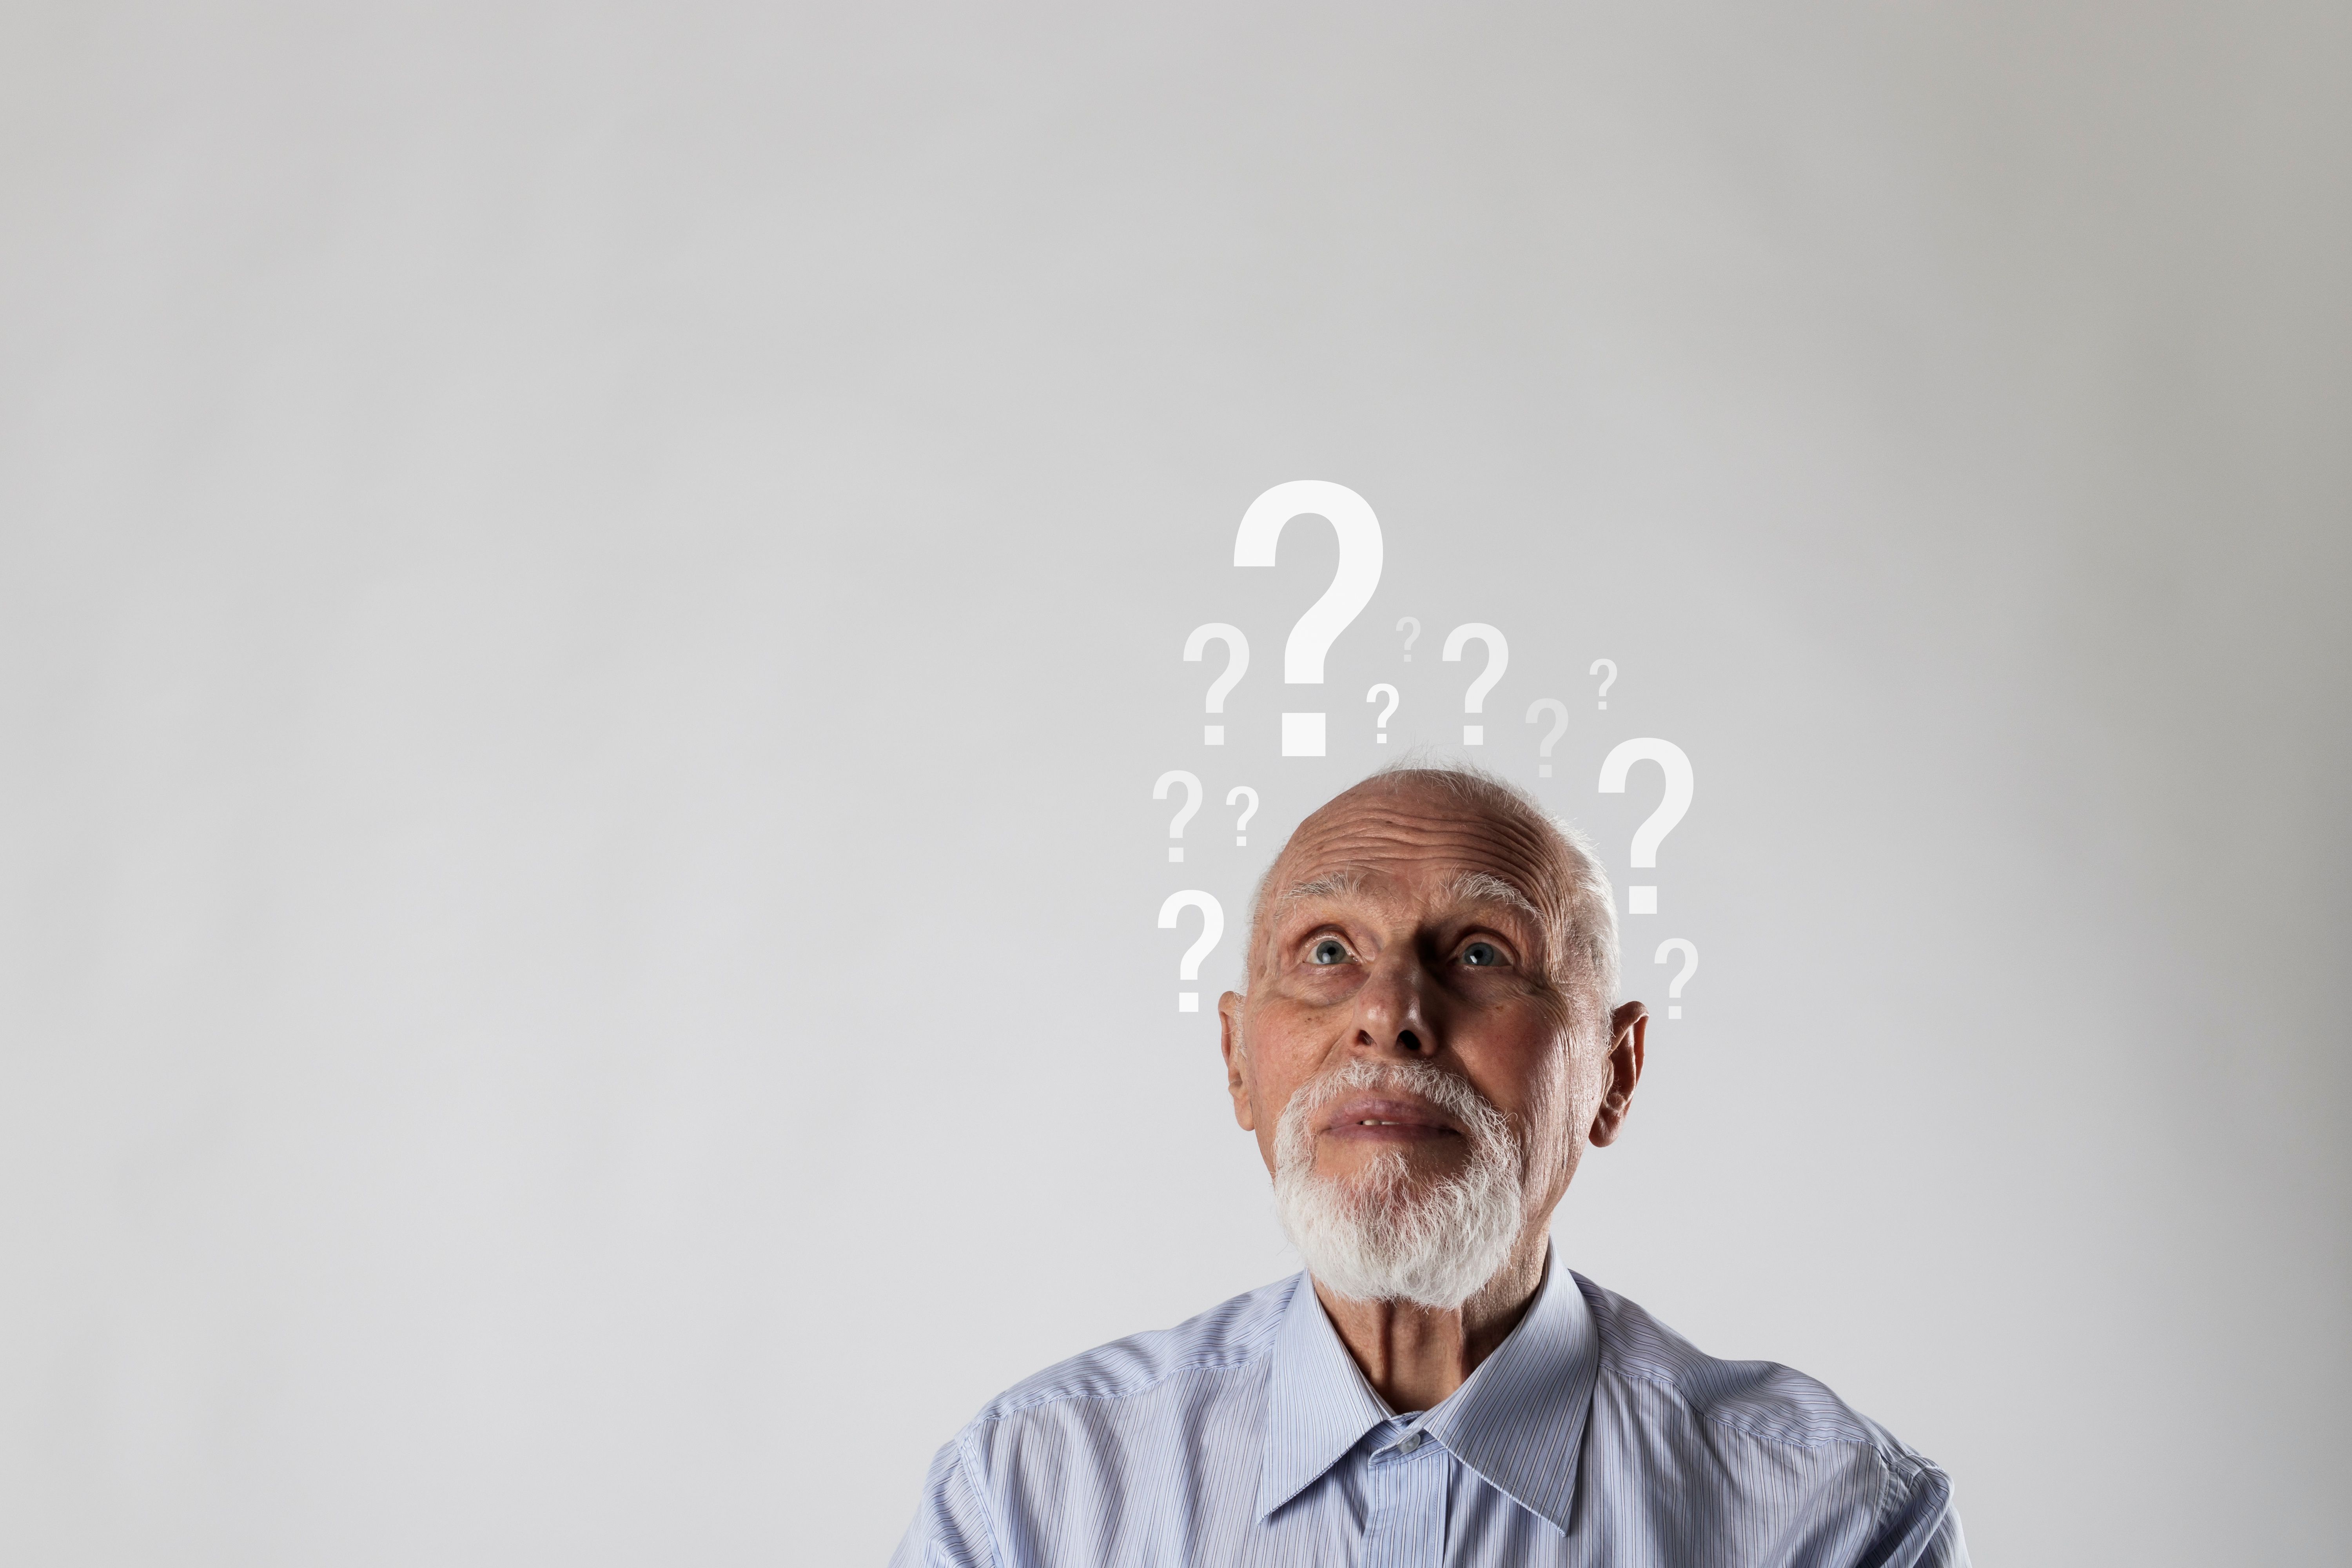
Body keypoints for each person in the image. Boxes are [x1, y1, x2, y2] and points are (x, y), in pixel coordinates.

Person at [892, 763, 1965, 1566]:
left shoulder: (1830, 1520)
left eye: (1481, 954)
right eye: (1326, 951)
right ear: (1237, 1063)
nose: (1388, 1014)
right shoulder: (1030, 1499)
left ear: (1614, 1072)